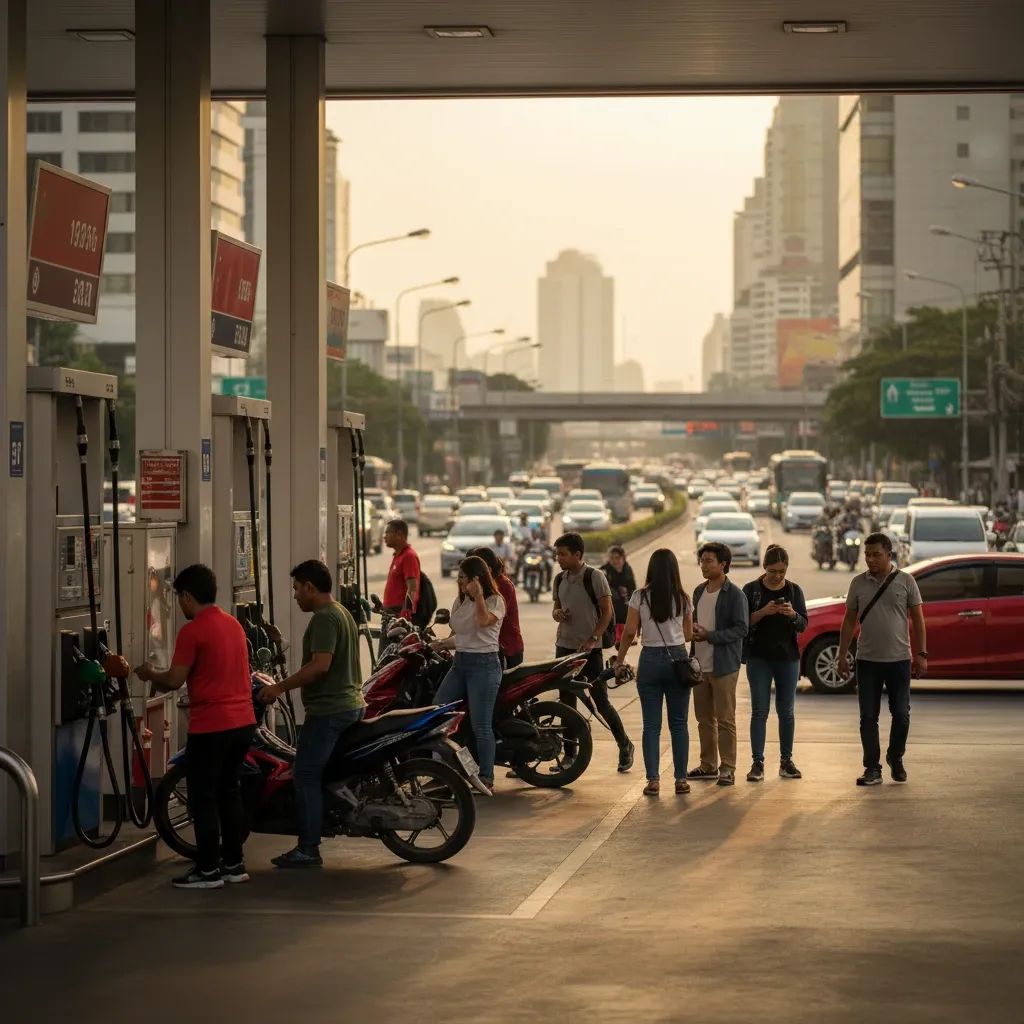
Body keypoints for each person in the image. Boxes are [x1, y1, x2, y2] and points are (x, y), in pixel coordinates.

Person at [135, 564, 256, 889]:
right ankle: (234, 864)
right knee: (229, 792)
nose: (179, 605)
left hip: (211, 726)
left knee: (203, 798)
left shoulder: (193, 631)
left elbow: (174, 679)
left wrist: (149, 673)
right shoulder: (233, 625)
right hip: (243, 722)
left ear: (187, 596)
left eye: (178, 598)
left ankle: (207, 870)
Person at [259, 560, 365, 867]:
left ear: (309, 587)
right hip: (350, 704)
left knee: (305, 775)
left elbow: (320, 666)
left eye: (296, 589)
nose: (295, 596)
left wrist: (280, 687)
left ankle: (308, 848)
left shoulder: (323, 618)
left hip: (330, 710)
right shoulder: (341, 612)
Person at [838, 533, 927, 786]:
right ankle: (872, 768)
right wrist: (842, 654)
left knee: (901, 714)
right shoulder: (857, 583)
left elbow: (918, 619)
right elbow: (848, 620)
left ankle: (895, 757)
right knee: (868, 716)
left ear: (889, 554)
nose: (871, 559)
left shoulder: (906, 581)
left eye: (876, 554)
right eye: (867, 554)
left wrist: (922, 654)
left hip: (899, 659)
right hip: (867, 660)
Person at [612, 549, 693, 796]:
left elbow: (629, 632)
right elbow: (688, 635)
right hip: (678, 659)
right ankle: (680, 780)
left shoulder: (639, 596)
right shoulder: (683, 598)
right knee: (679, 724)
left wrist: (620, 661)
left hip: (650, 661)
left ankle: (653, 781)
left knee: (651, 726)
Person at [552, 532, 634, 772]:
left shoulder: (595, 577)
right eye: (557, 554)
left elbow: (606, 611)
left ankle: (625, 744)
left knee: (600, 701)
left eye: (563, 554)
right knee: (566, 702)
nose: (559, 558)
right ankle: (570, 754)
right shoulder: (559, 579)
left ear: (578, 555)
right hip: (564, 647)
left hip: (590, 650)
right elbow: (556, 609)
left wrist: (593, 638)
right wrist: (558, 614)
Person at [430, 555, 506, 792]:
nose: (459, 582)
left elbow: (483, 623)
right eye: (459, 577)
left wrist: (479, 595)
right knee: (437, 714)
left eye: (463, 577)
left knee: (480, 725)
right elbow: (463, 637)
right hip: (460, 663)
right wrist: (442, 644)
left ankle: (486, 777)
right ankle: (439, 771)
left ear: (477, 578)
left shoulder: (495, 601)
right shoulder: (459, 601)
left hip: (484, 666)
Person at [741, 545, 808, 783]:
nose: (778, 575)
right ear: (764, 568)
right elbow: (741, 623)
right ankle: (757, 763)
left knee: (786, 712)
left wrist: (792, 615)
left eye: (782, 570)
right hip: (759, 658)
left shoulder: (794, 591)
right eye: (773, 570)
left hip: (788, 659)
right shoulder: (751, 590)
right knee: (760, 711)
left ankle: (786, 761)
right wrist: (762, 612)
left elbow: (803, 624)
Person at [687, 542, 749, 787]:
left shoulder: (735, 594)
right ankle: (708, 765)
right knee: (703, 719)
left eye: (709, 560)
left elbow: (741, 628)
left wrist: (710, 636)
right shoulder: (698, 592)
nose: (704, 564)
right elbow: (693, 622)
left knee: (725, 719)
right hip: (699, 666)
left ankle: (728, 768)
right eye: (702, 560)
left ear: (723, 564)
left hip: (724, 666)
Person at [469, 546, 524, 669]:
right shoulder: (478, 586)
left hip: (506, 649)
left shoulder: (502, 585)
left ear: (487, 569)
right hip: (486, 648)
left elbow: (485, 620)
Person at [383, 519, 420, 620]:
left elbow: (412, 587)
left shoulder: (408, 556)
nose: (384, 536)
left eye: (388, 532)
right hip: (390, 613)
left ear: (399, 534)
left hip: (399, 615)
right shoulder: (398, 555)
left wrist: (405, 614)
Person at [601, 544, 637, 645]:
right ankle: (618, 635)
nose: (615, 561)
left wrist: (631, 599)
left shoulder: (627, 569)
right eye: (612, 558)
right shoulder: (604, 570)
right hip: (611, 600)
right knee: (617, 606)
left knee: (631, 605)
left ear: (623, 558)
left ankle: (629, 634)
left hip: (625, 599)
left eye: (617, 558)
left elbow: (632, 587)